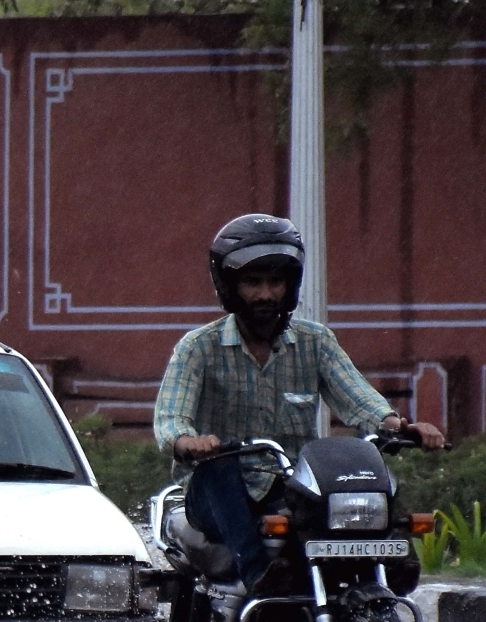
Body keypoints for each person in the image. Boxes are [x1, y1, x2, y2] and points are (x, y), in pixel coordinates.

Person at [154, 214, 445, 590]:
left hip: (293, 485)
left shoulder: (315, 342)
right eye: (252, 282)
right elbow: (170, 419)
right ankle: (260, 576)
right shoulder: (198, 348)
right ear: (229, 286)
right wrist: (188, 441)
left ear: (289, 285)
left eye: (275, 282)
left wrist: (398, 427)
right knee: (217, 466)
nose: (265, 294)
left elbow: (357, 397)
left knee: (361, 461)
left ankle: (391, 555)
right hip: (219, 494)